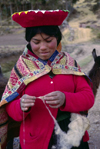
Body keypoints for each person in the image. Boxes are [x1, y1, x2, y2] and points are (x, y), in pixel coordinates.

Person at [1, 10, 94, 149]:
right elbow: (9, 106)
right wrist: (21, 105)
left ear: (57, 38)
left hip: (73, 137)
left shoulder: (69, 62)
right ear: (29, 41)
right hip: (35, 140)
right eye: (36, 42)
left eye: (48, 40)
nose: (43, 47)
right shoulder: (21, 68)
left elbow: (88, 98)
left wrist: (65, 99)